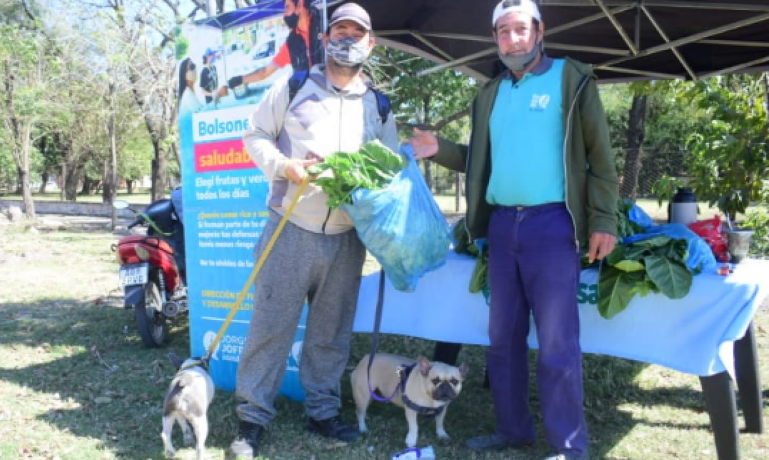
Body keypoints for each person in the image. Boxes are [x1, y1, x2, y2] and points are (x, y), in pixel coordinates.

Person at [408, 1, 619, 459]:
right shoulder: (489, 93)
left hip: (553, 225)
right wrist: (438, 148)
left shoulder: (572, 78)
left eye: (520, 29)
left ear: (540, 31)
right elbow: (479, 161)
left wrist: (604, 219)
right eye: (503, 32)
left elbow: (600, 157)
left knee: (557, 343)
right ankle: (512, 430)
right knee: (502, 338)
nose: (512, 39)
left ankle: (568, 445)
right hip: (503, 227)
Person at [229, 3, 398, 459]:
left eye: (357, 33)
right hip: (290, 226)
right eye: (340, 31)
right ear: (325, 39)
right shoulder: (295, 84)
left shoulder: (378, 105)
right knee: (271, 327)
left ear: (370, 43)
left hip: (347, 237)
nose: (348, 40)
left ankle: (323, 411)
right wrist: (285, 166)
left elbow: (392, 168)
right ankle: (251, 420)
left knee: (331, 333)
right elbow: (255, 136)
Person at [226, 0, 324, 92]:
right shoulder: (291, 44)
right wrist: (240, 80)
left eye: (287, 7)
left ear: (300, 5)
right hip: (309, 98)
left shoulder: (324, 22)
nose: (284, 14)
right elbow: (264, 72)